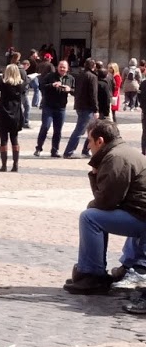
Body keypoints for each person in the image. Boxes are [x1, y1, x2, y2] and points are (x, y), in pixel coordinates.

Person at [64, 119, 146, 294]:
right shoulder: (124, 151)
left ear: (100, 141)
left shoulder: (115, 158)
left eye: (89, 141)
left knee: (90, 218)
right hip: (140, 212)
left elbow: (106, 201)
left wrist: (94, 176)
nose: (88, 146)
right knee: (95, 214)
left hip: (141, 217)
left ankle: (92, 275)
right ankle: (104, 269)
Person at [0, 62, 29, 173]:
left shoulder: (3, 83)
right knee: (14, 138)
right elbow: (26, 84)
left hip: (4, 112)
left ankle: (4, 165)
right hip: (16, 113)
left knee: (3, 139)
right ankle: (15, 165)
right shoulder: (21, 84)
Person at [36, 59, 73, 157]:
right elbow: (42, 86)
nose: (62, 69)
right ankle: (39, 148)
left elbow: (75, 91)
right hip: (48, 106)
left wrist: (70, 90)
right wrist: (52, 85)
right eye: (60, 67)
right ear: (57, 67)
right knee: (45, 126)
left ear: (67, 69)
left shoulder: (70, 78)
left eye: (64, 67)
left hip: (61, 107)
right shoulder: (50, 76)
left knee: (58, 130)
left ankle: (55, 150)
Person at [63, 59, 100, 158]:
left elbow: (77, 91)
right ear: (94, 66)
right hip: (87, 107)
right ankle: (69, 152)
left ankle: (86, 150)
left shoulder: (80, 75)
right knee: (80, 130)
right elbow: (93, 94)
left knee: (91, 129)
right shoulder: (92, 77)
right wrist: (96, 109)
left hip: (79, 105)